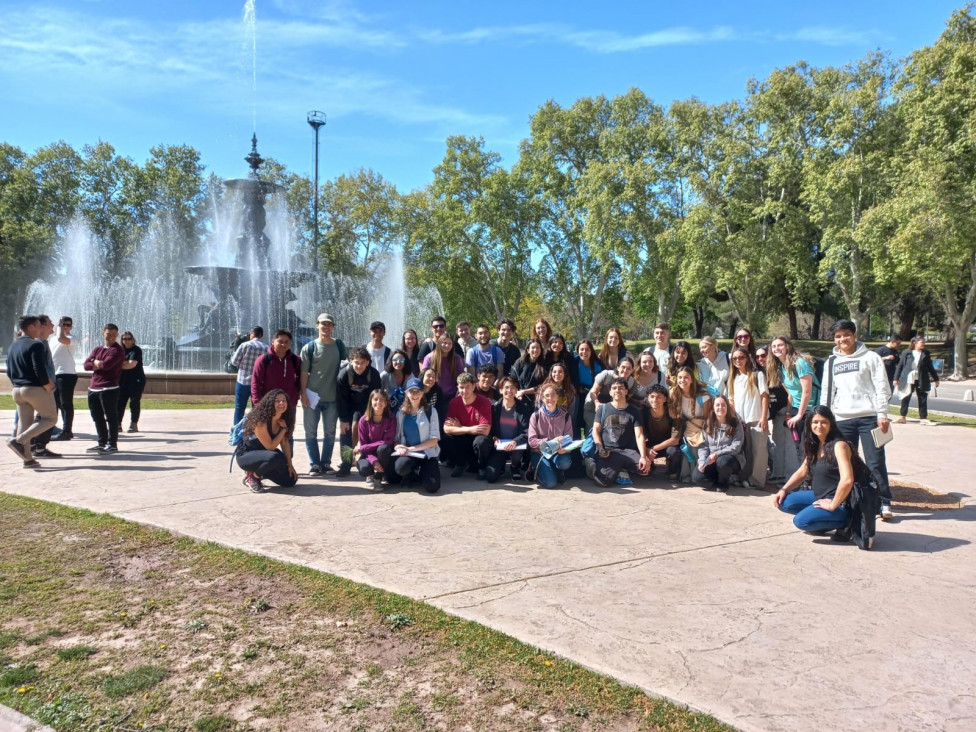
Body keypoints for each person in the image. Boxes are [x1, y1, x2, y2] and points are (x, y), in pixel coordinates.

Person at [820, 319, 893, 520]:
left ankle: (884, 501)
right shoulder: (831, 362)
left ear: (855, 335)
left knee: (875, 461)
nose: (842, 339)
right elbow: (827, 391)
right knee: (845, 463)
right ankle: (850, 498)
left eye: (846, 334)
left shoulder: (871, 357)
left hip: (869, 418)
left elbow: (882, 387)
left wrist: (882, 414)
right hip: (842, 418)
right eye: (838, 336)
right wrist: (825, 417)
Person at [773, 406, 855, 540]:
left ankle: (847, 522)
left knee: (801, 521)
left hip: (841, 501)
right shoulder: (815, 443)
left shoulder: (839, 445)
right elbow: (802, 471)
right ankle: (821, 520)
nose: (819, 425)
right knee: (783, 502)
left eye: (824, 422)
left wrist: (833, 504)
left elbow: (847, 480)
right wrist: (784, 489)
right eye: (815, 422)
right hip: (820, 495)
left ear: (831, 424)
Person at [5, 315, 57, 468]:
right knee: (50, 419)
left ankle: (27, 460)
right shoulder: (36, 345)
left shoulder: (12, 346)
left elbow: (9, 370)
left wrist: (16, 383)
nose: (41, 328)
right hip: (34, 388)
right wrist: (46, 383)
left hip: (17, 389)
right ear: (31, 327)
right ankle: (18, 441)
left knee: (24, 423)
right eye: (38, 325)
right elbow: (38, 368)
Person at [300, 314, 347, 476]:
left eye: (329, 324)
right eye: (322, 324)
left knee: (330, 432)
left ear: (333, 326)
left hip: (333, 397)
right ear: (316, 325)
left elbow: (346, 368)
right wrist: (303, 393)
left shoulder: (340, 346)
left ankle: (325, 463)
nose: (326, 327)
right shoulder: (309, 348)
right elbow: (304, 373)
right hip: (312, 396)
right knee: (310, 432)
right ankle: (314, 464)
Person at [766, 335, 819, 474]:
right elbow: (791, 394)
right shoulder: (781, 368)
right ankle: (805, 480)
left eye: (780, 345)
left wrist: (800, 415)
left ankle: (812, 480)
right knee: (799, 448)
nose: (777, 348)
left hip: (811, 410)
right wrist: (789, 413)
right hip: (796, 410)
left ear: (787, 346)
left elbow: (807, 392)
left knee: (809, 447)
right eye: (774, 346)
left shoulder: (800, 363)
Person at [586, 377, 652, 487]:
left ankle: (620, 469)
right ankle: (591, 464)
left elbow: (639, 435)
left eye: (621, 388)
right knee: (603, 482)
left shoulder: (634, 411)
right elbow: (595, 431)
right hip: (609, 451)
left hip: (628, 451)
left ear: (626, 391)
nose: (618, 390)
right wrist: (600, 448)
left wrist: (643, 456)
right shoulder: (603, 409)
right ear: (610, 392)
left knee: (645, 471)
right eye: (614, 388)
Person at [236, 389, 298, 492]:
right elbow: (270, 447)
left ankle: (262, 472)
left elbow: (284, 442)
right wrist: (283, 429)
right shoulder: (261, 421)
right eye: (277, 400)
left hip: (266, 456)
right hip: (246, 456)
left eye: (284, 400)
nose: (281, 403)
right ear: (270, 403)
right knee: (274, 456)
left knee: (290, 481)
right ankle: (252, 477)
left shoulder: (283, 419)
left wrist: (290, 465)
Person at [336, 347, 382, 477]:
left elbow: (376, 396)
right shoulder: (344, 375)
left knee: (370, 432)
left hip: (367, 405)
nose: (359, 365)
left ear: (368, 362)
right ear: (351, 361)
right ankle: (346, 464)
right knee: (346, 432)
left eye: (362, 362)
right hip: (349, 405)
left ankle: (371, 460)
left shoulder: (373, 374)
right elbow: (341, 399)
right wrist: (343, 420)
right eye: (356, 362)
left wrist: (374, 415)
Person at [727, 346, 769, 488]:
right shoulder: (733, 379)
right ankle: (743, 477)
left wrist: (764, 418)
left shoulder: (757, 375)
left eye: (741, 357)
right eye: (735, 358)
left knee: (759, 452)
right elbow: (731, 401)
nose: (738, 360)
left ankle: (757, 481)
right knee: (745, 451)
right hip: (740, 421)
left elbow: (764, 397)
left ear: (747, 358)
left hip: (756, 419)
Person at [392, 377, 442, 493]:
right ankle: (410, 474)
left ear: (422, 392)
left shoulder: (431, 411)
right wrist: (397, 446)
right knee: (400, 467)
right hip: (409, 454)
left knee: (432, 486)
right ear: (406, 393)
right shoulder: (401, 413)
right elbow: (396, 439)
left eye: (418, 391)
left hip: (427, 454)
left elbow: (434, 440)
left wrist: (413, 448)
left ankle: (422, 473)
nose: (414, 395)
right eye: (411, 391)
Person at [83, 323, 126, 454]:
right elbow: (85, 365)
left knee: (111, 417)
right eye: (108, 334)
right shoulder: (97, 349)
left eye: (114, 334)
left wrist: (95, 362)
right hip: (94, 388)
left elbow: (106, 365)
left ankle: (112, 444)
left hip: (109, 388)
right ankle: (102, 442)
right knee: (97, 417)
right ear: (103, 333)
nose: (111, 337)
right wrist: (97, 363)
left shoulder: (117, 350)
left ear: (117, 335)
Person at [442, 372, 493, 478]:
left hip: (477, 439)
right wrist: (468, 429)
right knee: (445, 439)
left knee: (481, 442)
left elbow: (485, 431)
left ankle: (481, 467)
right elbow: (446, 428)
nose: (464, 391)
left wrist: (460, 427)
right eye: (461, 387)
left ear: (474, 386)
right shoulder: (454, 402)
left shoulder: (484, 402)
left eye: (467, 387)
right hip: (464, 435)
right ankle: (460, 464)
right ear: (457, 387)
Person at [669, 365, 714, 480]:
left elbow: (707, 417)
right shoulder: (674, 393)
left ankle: (699, 474)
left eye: (686, 377)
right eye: (680, 377)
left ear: (692, 379)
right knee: (686, 446)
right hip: (686, 426)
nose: (682, 380)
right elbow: (673, 414)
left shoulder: (702, 395)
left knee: (697, 445)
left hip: (701, 426)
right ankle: (685, 474)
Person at [483, 376, 531, 482]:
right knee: (490, 477)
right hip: (500, 445)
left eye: (513, 387)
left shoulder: (523, 408)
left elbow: (526, 431)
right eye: (506, 387)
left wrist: (515, 441)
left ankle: (515, 466)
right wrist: (494, 438)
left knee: (518, 448)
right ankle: (501, 466)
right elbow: (489, 429)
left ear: (516, 390)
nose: (509, 391)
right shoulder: (494, 408)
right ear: (500, 390)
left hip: (516, 445)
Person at [694, 395, 745, 492]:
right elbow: (703, 446)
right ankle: (716, 482)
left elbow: (736, 447)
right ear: (713, 408)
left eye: (723, 405)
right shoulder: (708, 424)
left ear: (727, 407)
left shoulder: (736, 424)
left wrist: (717, 454)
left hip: (732, 458)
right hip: (711, 459)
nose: (720, 408)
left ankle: (723, 483)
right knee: (697, 478)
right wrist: (702, 462)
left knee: (723, 462)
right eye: (717, 405)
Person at [528, 383, 574, 489]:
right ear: (542, 398)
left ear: (557, 397)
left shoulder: (565, 415)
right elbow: (532, 441)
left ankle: (557, 470)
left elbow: (569, 438)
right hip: (540, 453)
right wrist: (550, 441)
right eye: (547, 396)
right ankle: (536, 468)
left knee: (565, 462)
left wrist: (565, 449)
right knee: (551, 483)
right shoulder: (535, 416)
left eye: (553, 395)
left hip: (558, 453)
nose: (550, 398)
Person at [251, 330, 302, 425]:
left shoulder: (296, 360)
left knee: (287, 435)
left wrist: (295, 396)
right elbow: (255, 383)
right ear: (273, 341)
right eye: (280, 341)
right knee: (268, 436)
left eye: (287, 342)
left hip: (288, 405)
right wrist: (258, 404)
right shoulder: (263, 360)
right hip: (268, 405)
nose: (283, 344)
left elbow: (301, 379)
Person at [757, 345, 790, 485]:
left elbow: (791, 393)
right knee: (777, 443)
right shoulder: (760, 372)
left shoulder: (779, 371)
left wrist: (788, 412)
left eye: (763, 355)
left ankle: (785, 476)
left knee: (784, 444)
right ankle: (778, 473)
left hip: (783, 411)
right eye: (757, 356)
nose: (760, 359)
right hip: (774, 413)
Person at [584, 357, 639, 433]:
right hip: (593, 406)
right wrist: (597, 403)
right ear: (618, 367)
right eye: (623, 367)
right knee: (593, 432)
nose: (625, 370)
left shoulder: (632, 384)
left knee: (607, 433)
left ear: (632, 370)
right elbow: (593, 392)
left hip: (611, 410)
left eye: (629, 368)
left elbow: (625, 399)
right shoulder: (606, 375)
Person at [895, 336, 940, 426]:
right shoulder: (906, 353)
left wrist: (936, 379)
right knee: (905, 397)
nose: (923, 344)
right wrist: (896, 378)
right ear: (915, 343)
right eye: (921, 342)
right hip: (908, 378)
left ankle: (923, 418)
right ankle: (903, 416)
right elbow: (900, 366)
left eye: (924, 342)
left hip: (921, 378)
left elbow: (930, 367)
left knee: (922, 398)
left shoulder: (925, 353)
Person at [355, 389, 396, 488]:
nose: (379, 402)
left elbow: (388, 441)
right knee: (364, 469)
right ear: (371, 402)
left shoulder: (391, 418)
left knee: (384, 447)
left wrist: (363, 448)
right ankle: (370, 474)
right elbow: (364, 446)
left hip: (384, 454)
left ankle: (379, 477)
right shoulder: (363, 421)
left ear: (386, 403)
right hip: (368, 454)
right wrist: (374, 461)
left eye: (382, 399)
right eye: (376, 399)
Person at [230, 326, 268, 427]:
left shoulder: (245, 345)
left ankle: (237, 431)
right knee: (257, 407)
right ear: (261, 335)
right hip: (258, 383)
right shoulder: (267, 348)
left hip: (243, 381)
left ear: (252, 333)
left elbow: (234, 362)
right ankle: (255, 431)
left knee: (239, 408)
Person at [643, 384, 682, 478]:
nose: (655, 400)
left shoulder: (673, 414)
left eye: (659, 397)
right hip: (650, 445)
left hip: (667, 445)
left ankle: (672, 470)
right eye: (652, 396)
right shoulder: (643, 413)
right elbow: (639, 436)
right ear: (648, 398)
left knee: (674, 452)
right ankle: (649, 466)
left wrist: (654, 448)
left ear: (665, 399)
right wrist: (646, 450)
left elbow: (675, 440)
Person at [49, 316, 78, 441]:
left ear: (71, 327)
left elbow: (62, 339)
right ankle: (51, 427)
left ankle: (67, 431)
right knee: (55, 404)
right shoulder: (52, 339)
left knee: (66, 403)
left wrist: (59, 326)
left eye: (67, 324)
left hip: (67, 374)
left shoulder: (72, 338)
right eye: (63, 324)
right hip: (54, 374)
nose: (65, 326)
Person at [573, 339, 604, 437]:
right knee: (576, 423)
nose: (584, 352)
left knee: (591, 424)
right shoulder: (575, 361)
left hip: (593, 397)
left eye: (587, 349)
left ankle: (591, 446)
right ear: (577, 351)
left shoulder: (597, 365)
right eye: (581, 349)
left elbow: (601, 384)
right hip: (577, 396)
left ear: (591, 351)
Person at [420, 334, 466, 401]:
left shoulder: (456, 358)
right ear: (439, 343)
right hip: (434, 395)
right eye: (444, 343)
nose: (447, 345)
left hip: (452, 395)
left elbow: (462, 377)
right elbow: (423, 377)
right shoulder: (429, 357)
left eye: (449, 343)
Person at [117, 332, 146, 433]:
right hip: (122, 380)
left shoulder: (136, 350)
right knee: (120, 403)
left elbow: (131, 364)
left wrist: (118, 365)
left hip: (136, 380)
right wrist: (123, 363)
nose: (127, 341)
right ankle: (118, 424)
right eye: (124, 339)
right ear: (122, 340)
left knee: (134, 402)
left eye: (129, 339)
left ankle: (133, 424)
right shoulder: (120, 350)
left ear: (133, 339)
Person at [510, 338, 547, 409]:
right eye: (533, 348)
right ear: (528, 350)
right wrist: (516, 393)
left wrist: (524, 391)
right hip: (519, 399)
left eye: (537, 348)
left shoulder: (544, 365)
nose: (535, 350)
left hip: (536, 401)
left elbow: (543, 385)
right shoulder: (519, 363)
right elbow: (512, 380)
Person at [381, 349, 411, 413]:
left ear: (405, 362)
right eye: (395, 360)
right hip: (388, 409)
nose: (398, 362)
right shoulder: (384, 375)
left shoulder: (409, 375)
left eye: (402, 360)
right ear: (391, 361)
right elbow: (378, 392)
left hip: (405, 409)